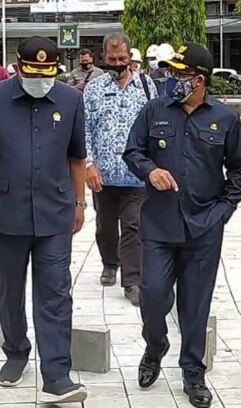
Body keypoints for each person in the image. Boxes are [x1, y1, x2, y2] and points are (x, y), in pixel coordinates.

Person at [0, 36, 89, 404]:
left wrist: (80, 202)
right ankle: (16, 351)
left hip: (55, 214)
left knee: (55, 295)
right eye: (33, 73)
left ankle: (57, 374)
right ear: (17, 67)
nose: (41, 81)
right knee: (8, 292)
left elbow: (77, 157)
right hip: (7, 213)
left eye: (48, 74)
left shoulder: (71, 100)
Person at [123, 42, 241, 408]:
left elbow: (238, 170)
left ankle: (193, 373)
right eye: (171, 73)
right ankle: (155, 346)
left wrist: (224, 209)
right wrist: (151, 170)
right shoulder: (154, 110)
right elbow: (134, 151)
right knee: (153, 296)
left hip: (204, 227)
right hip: (159, 223)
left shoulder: (225, 119)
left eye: (180, 75)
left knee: (195, 305)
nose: (172, 79)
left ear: (199, 80)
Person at [83, 32, 157, 305]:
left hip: (136, 175)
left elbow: (155, 126)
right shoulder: (93, 89)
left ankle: (132, 280)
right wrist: (89, 164)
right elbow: (84, 130)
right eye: (112, 59)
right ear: (104, 58)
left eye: (122, 58)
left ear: (130, 57)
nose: (117, 63)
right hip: (102, 175)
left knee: (134, 226)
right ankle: (109, 262)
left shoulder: (147, 87)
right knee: (105, 225)